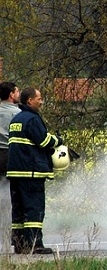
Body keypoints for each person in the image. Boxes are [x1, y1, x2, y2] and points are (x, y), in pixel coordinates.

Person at [7, 87, 62, 254]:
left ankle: (20, 244)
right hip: (31, 172)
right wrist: (58, 140)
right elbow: (44, 141)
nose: (42, 101)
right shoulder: (32, 119)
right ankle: (35, 244)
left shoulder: (16, 119)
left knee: (19, 210)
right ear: (30, 100)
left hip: (16, 173)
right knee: (34, 209)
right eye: (39, 98)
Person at [0, 82, 20, 253]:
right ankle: (11, 234)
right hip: (10, 156)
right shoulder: (19, 113)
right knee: (11, 196)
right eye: (17, 91)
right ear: (12, 95)